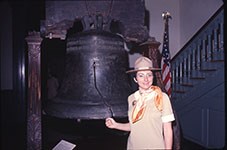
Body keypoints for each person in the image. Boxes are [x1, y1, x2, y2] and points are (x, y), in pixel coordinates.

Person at [105, 56, 175, 150]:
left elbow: (167, 129)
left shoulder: (162, 97)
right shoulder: (131, 98)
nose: (146, 79)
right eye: (141, 75)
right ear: (135, 79)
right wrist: (116, 125)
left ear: (153, 77)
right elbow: (134, 126)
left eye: (149, 75)